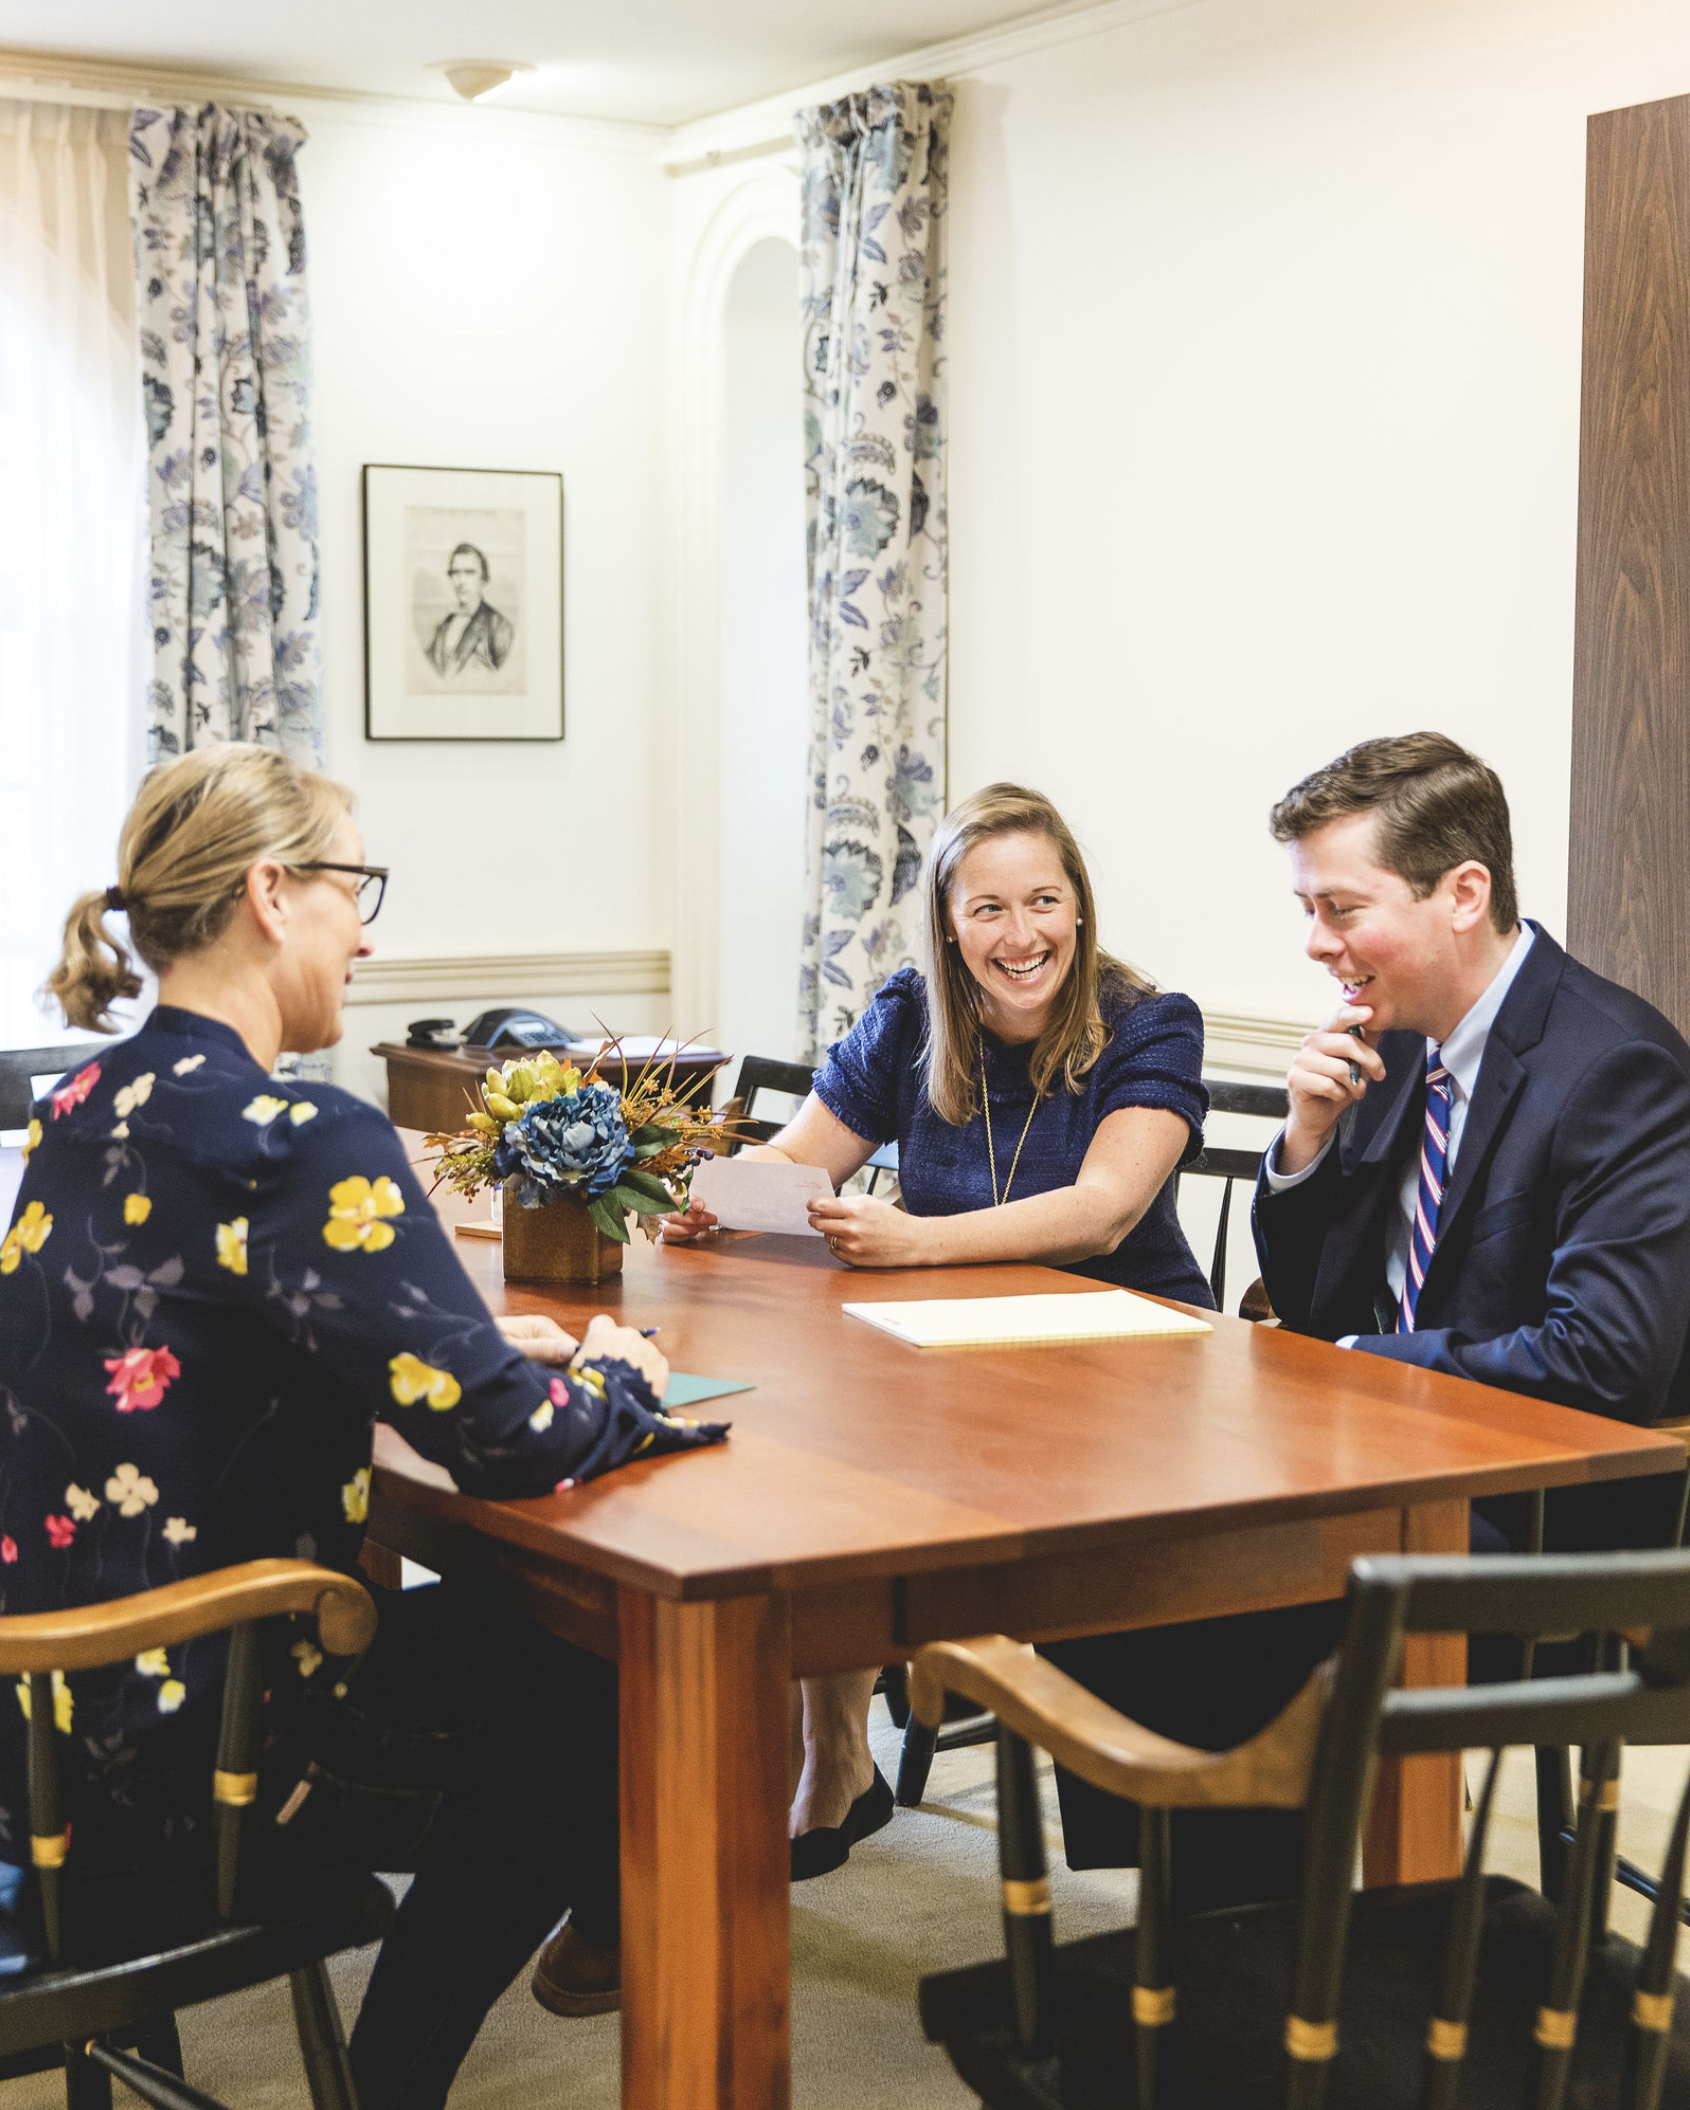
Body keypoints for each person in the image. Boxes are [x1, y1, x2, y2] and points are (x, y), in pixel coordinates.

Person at [0, 744, 726, 2110]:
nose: (368, 924)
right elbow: (509, 1442)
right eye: (353, 883)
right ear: (273, 893)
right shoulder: (299, 1132)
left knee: (537, 1658)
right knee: (605, 1673)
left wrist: (440, 1339)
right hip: (198, 1739)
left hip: (38, 1713)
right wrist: (620, 1375)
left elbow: (184, 1322)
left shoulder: (85, 1106)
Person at [663, 782, 1214, 1878]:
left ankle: (833, 1733)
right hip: (947, 1361)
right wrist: (720, 1189)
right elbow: (800, 1154)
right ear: (950, 924)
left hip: (1124, 1373)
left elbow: (1105, 1210)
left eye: (1044, 902)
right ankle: (832, 1747)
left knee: (841, 1455)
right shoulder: (914, 1013)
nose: (1022, 936)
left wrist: (916, 1240)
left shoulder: (1150, 1022)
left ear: (1079, 908)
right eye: (991, 910)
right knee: (801, 1452)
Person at [1254, 729, 1690, 1553]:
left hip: (1521, 1509)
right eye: (1307, 911)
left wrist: (1368, 1364)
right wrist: (1305, 1144)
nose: (1315, 941)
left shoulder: (1618, 1071)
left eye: (1341, 909)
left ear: (1462, 895)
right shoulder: (1392, 1039)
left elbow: (1607, 1360)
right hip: (1370, 1457)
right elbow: (1314, 1307)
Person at [425, 542, 514, 677]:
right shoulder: (444, 626)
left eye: (469, 572)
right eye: (455, 573)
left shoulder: (499, 625)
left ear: (483, 578)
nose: (461, 581)